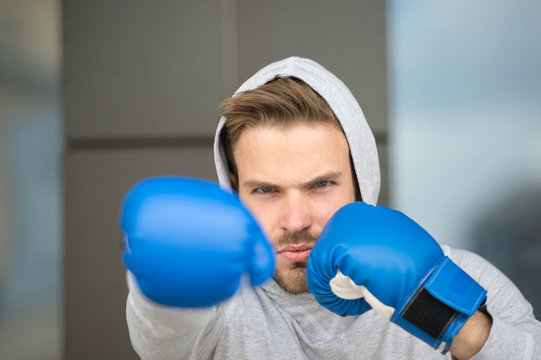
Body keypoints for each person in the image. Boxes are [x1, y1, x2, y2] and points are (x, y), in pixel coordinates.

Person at [120, 57, 541, 359]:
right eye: (266, 190)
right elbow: (163, 339)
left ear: (362, 182)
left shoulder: (462, 279)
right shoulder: (219, 300)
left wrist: (448, 314)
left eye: (320, 184)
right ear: (234, 194)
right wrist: (159, 283)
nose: (296, 220)